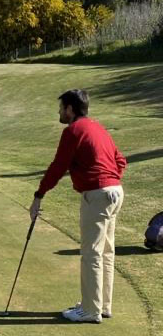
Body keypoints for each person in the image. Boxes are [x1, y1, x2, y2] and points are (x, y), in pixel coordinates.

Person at [30, 89, 126, 323]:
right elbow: (120, 161)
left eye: (62, 108)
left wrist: (39, 194)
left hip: (97, 195)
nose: (59, 112)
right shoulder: (98, 128)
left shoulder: (73, 131)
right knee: (106, 252)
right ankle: (102, 305)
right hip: (115, 192)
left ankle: (91, 311)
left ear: (71, 109)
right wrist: (110, 182)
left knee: (91, 253)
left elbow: (58, 166)